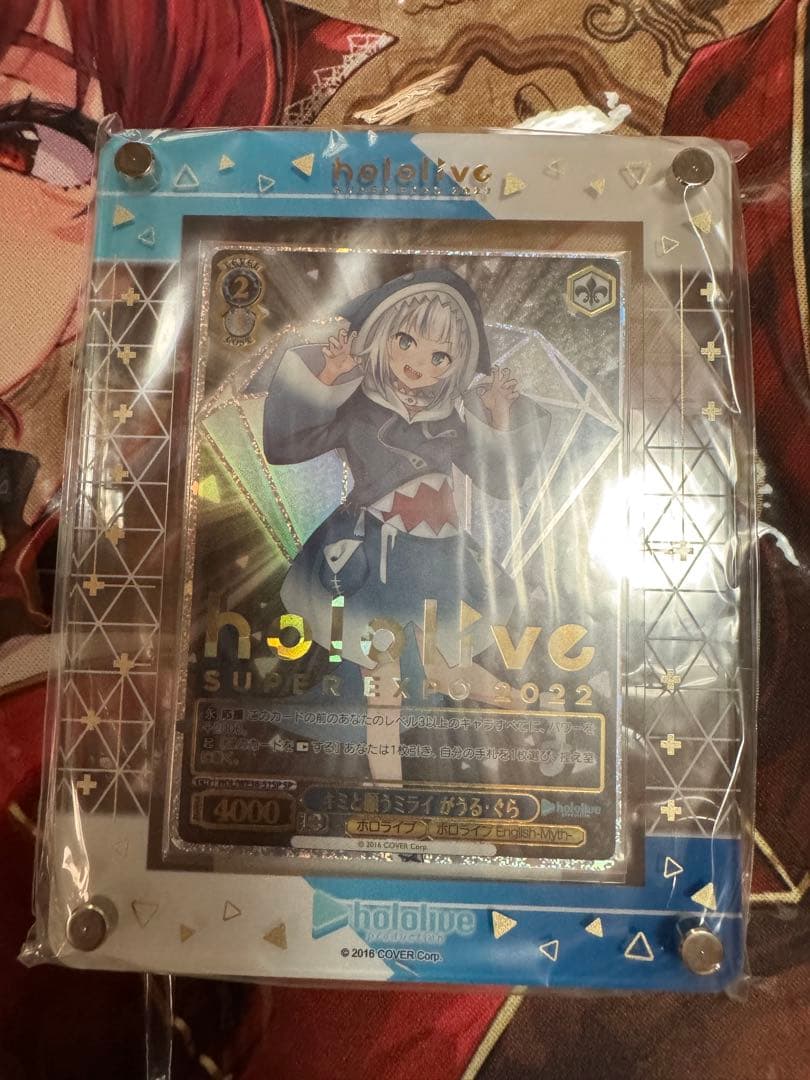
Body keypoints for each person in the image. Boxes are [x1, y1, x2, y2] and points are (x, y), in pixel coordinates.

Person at [264, 268, 550, 780]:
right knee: (384, 681)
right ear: (379, 337)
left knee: (445, 665)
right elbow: (287, 444)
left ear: (457, 362)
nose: (420, 363)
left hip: (442, 557)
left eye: (440, 356)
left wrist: (497, 414)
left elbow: (499, 479)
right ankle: (387, 786)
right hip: (377, 555)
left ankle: (542, 717)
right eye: (405, 341)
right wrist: (330, 377)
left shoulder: (450, 419)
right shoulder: (359, 410)